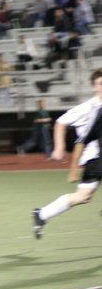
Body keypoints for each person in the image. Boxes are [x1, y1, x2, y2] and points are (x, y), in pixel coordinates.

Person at [32, 68, 102, 239]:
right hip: (93, 158)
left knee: (82, 197)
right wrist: (59, 147)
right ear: (93, 87)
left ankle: (42, 214)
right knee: (83, 196)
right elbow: (61, 122)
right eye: (100, 84)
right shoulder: (88, 107)